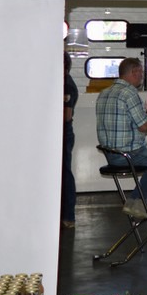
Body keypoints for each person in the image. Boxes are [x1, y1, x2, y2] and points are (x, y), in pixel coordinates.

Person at [96, 57, 147, 219]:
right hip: (130, 155)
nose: (142, 76)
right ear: (134, 72)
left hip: (112, 155)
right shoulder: (129, 94)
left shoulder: (104, 93)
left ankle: (134, 201)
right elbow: (145, 127)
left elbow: (135, 123)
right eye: (141, 73)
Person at [61, 53, 78, 229]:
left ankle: (68, 216)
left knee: (65, 173)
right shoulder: (60, 83)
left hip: (63, 133)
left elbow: (66, 115)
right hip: (60, 133)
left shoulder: (67, 86)